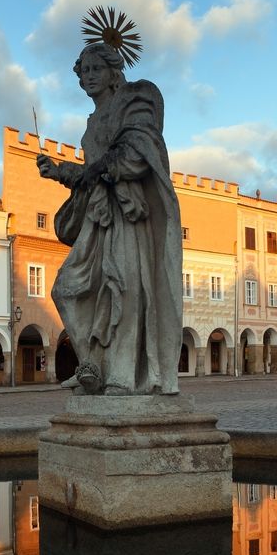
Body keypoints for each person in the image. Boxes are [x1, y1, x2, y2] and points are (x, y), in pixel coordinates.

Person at [37, 42, 182, 396]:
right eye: (83, 71)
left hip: (129, 216)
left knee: (127, 292)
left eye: (95, 69)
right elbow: (91, 172)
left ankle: (120, 376)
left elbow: (139, 151)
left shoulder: (132, 103)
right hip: (99, 215)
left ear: (113, 72)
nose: (88, 77)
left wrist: (101, 168)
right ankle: (91, 365)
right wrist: (60, 172)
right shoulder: (92, 122)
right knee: (67, 288)